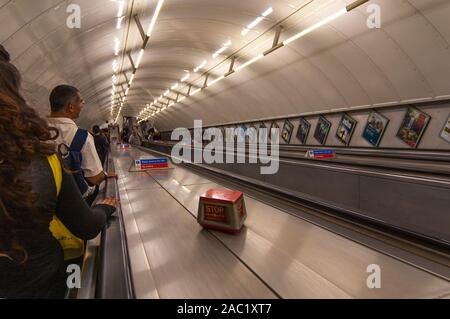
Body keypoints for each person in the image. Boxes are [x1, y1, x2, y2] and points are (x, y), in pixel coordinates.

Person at [0, 59, 119, 298]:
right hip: (40, 279)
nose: (83, 105)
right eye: (81, 102)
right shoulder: (44, 154)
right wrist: (105, 207)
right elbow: (94, 182)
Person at [47, 85, 116, 203]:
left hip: (42, 199)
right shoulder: (81, 136)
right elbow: (94, 178)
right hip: (69, 203)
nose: (83, 104)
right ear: (71, 107)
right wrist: (104, 174)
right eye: (81, 102)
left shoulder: (34, 129)